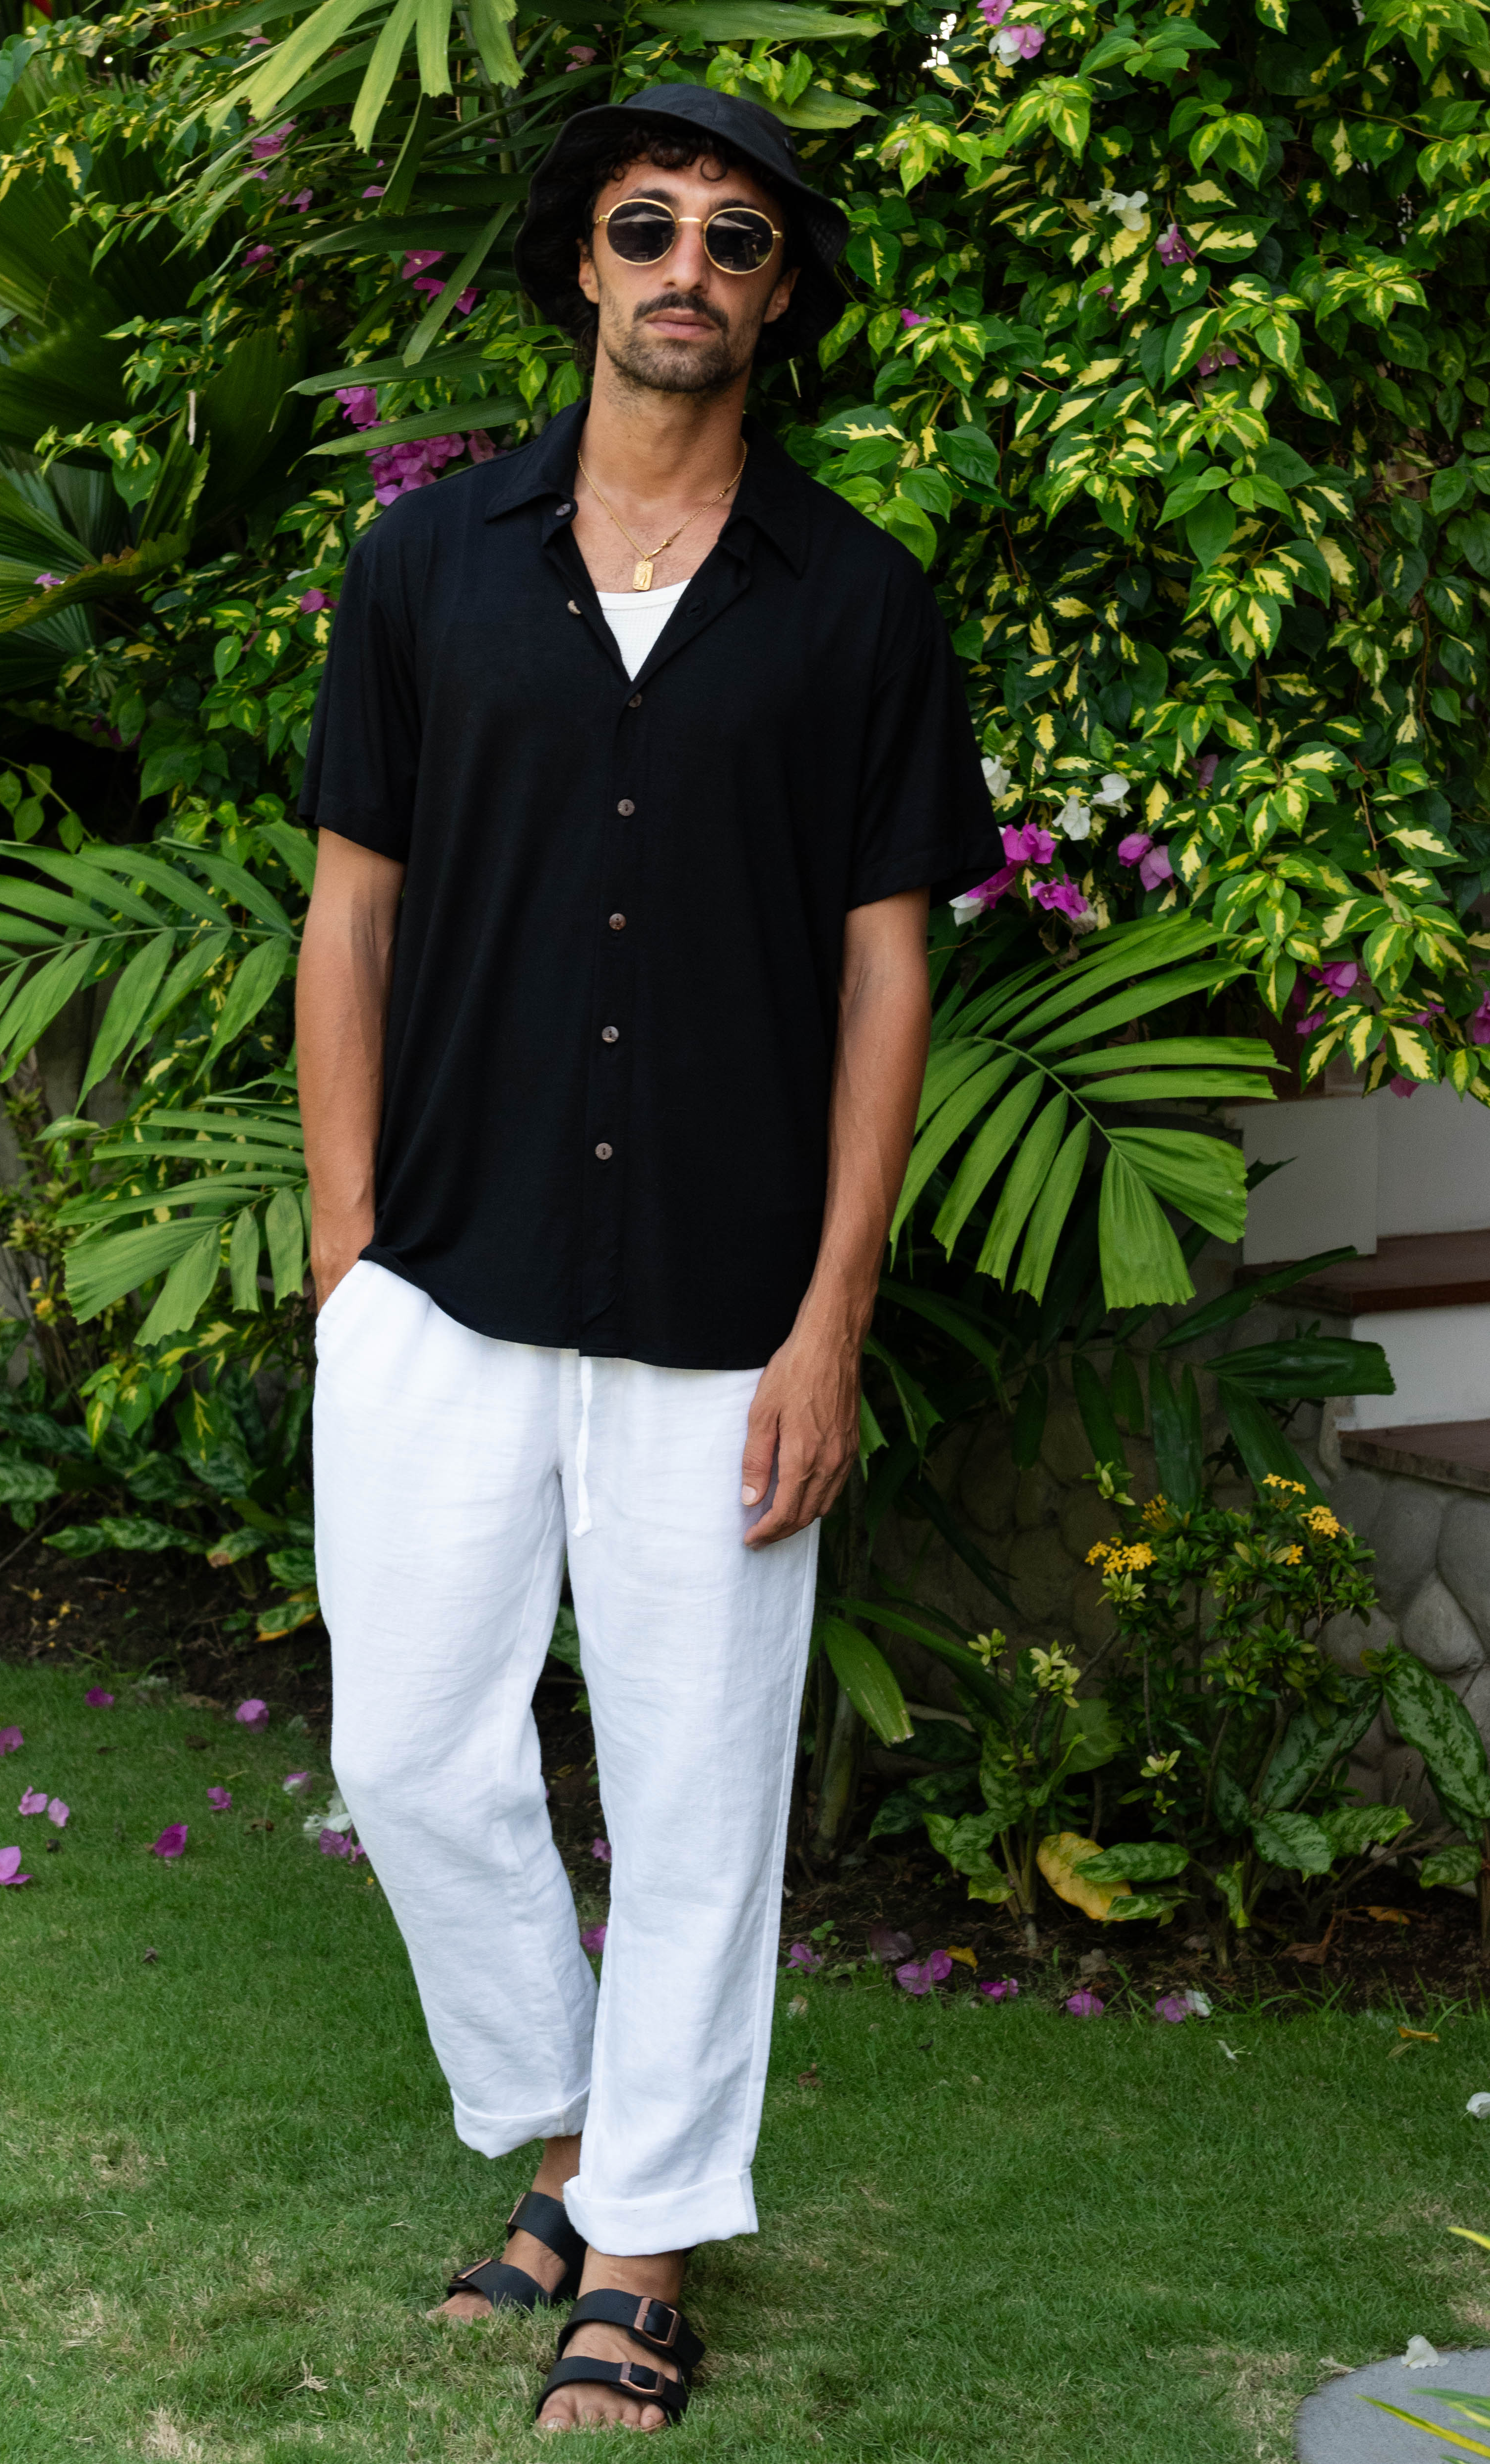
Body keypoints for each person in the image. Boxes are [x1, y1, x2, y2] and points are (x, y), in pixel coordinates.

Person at [295, 81, 1000, 2432]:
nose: (686, 265)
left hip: (726, 1300)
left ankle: (647, 2250)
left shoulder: (856, 605)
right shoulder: (428, 569)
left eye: (734, 237)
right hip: (442, 1270)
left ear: (777, 297)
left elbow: (888, 971)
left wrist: (834, 1317)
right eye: (644, 226)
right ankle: (578, 2139)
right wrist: (346, 1253)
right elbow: (352, 916)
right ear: (581, 270)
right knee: (409, 1748)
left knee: (697, 1793)